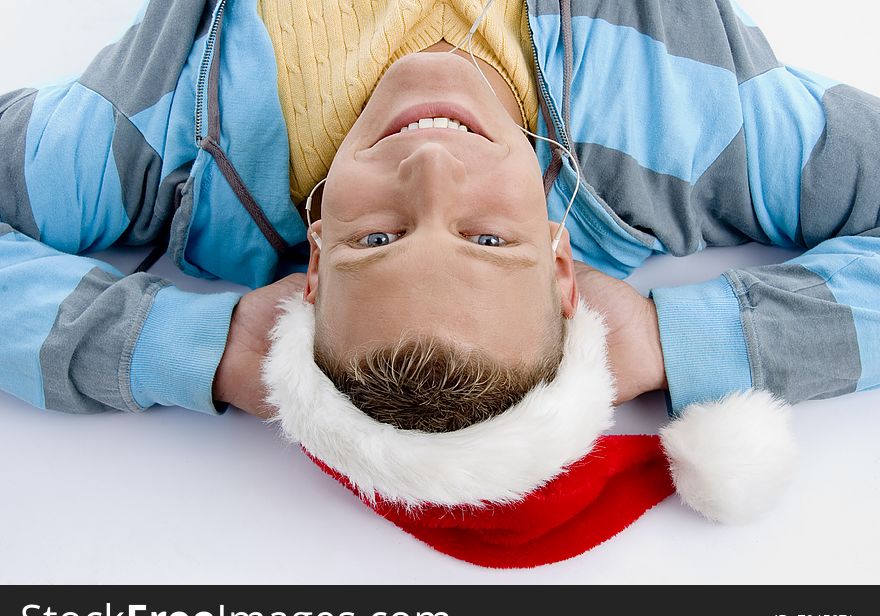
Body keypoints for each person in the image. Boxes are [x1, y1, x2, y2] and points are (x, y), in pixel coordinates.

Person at [0, 0, 878, 431]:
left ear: (312, 264)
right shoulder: (694, 125)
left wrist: (199, 347)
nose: (430, 169)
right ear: (561, 265)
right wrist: (680, 339)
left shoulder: (152, 150)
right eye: (486, 239)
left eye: (377, 238)